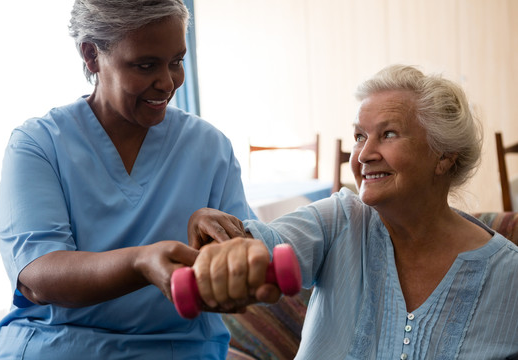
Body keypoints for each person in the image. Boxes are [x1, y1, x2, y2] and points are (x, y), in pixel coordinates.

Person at [187, 65, 518, 359]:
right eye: (360, 136)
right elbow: (265, 245)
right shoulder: (341, 218)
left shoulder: (509, 274)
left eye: (388, 134)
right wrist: (227, 239)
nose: (363, 154)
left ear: (444, 156)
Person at [0, 1, 251, 359]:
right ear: (91, 55)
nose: (167, 82)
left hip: (175, 348)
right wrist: (140, 263)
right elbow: (38, 275)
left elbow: (247, 255)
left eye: (176, 62)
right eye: (145, 65)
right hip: (59, 346)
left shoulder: (210, 147)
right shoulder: (39, 144)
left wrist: (227, 259)